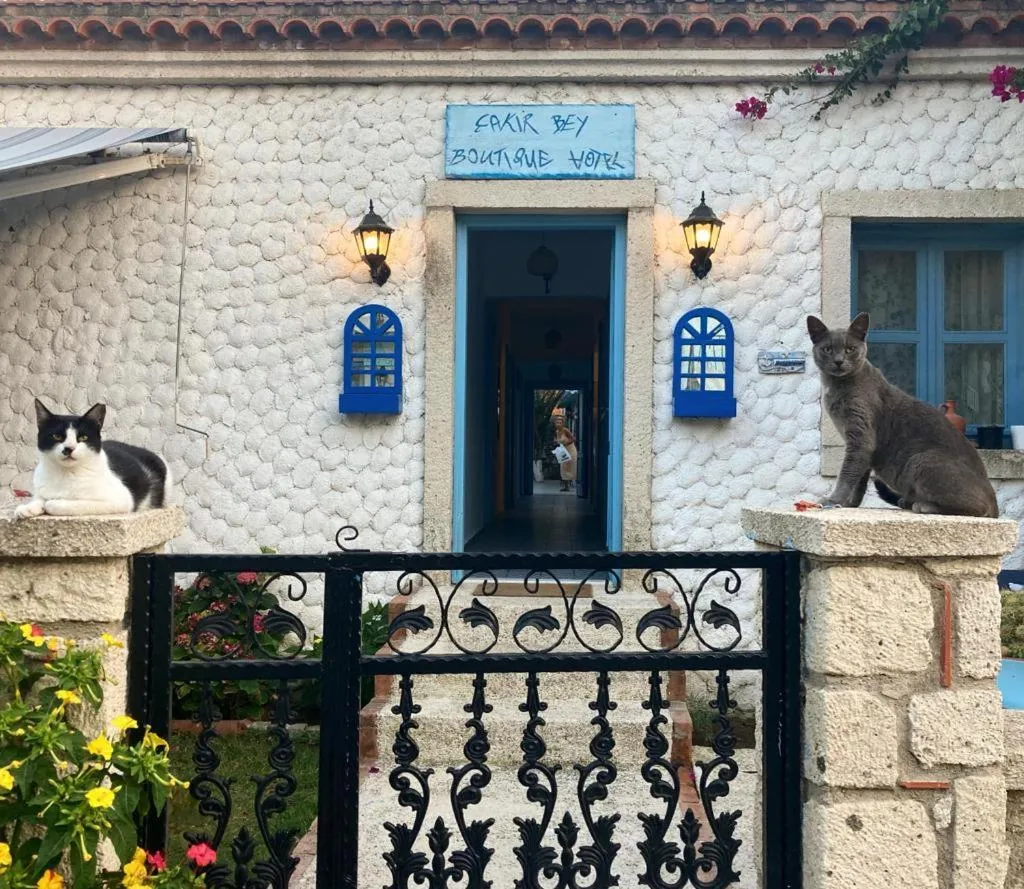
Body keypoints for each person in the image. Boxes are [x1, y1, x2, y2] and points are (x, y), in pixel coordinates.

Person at [553, 414, 577, 492]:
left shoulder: (565, 430)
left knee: (569, 467)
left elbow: (573, 438)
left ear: (563, 423)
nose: (558, 424)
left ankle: (570, 484)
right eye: (557, 422)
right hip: (563, 450)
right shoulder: (557, 431)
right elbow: (559, 441)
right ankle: (566, 486)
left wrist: (566, 443)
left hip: (570, 450)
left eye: (560, 422)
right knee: (563, 468)